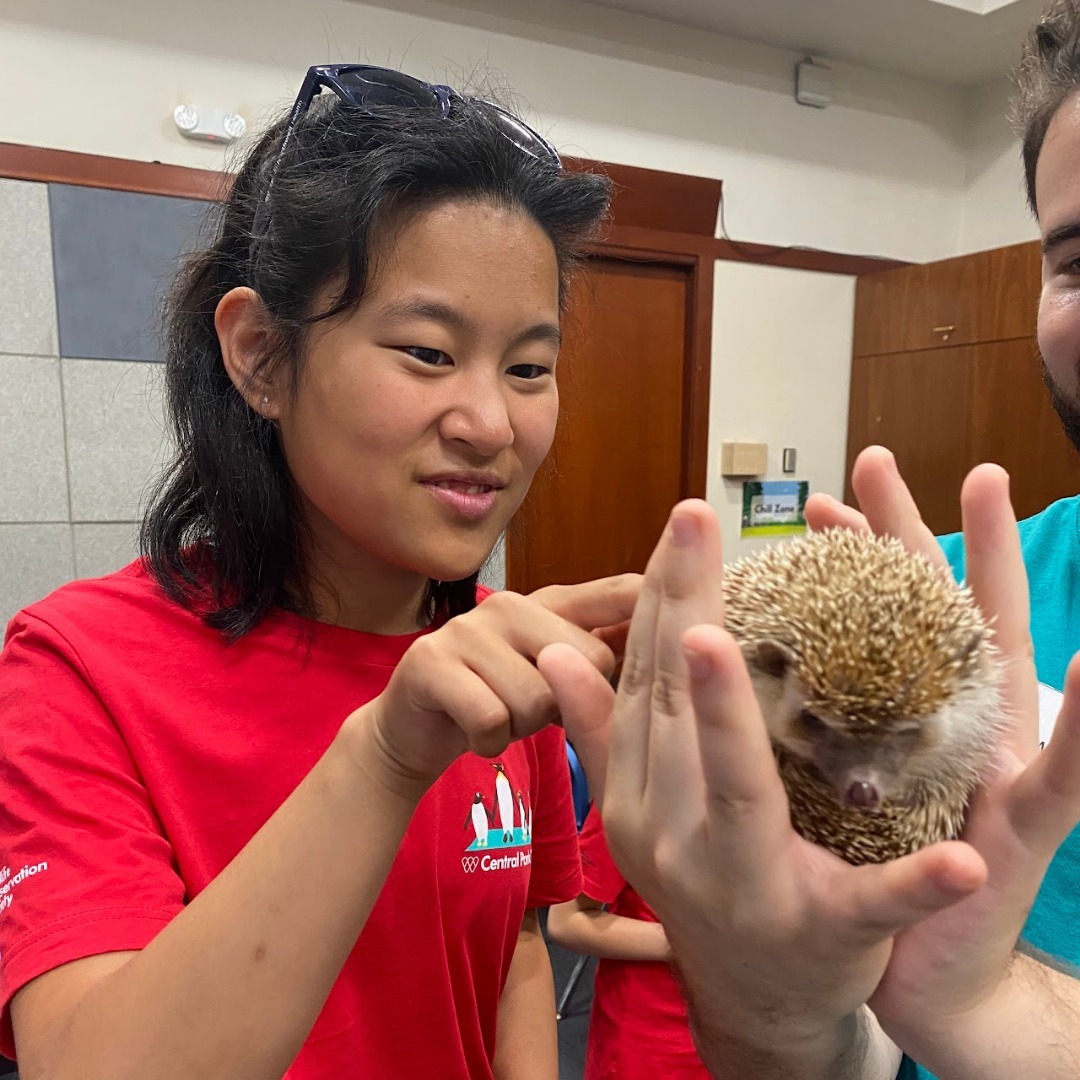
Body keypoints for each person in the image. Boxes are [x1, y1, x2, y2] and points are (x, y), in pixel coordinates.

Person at [0, 64, 641, 1079]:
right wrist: (386, 756)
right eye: (428, 352)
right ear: (261, 356)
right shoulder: (77, 668)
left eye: (528, 367)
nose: (491, 424)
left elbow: (519, 938)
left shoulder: (502, 655)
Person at [538, 4, 1080, 1076]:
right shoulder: (953, 597)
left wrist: (990, 1009)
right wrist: (774, 1013)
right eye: (1079, 255)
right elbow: (842, 1057)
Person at [547, 804, 711, 1080]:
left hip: (748, 1033)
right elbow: (566, 920)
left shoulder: (785, 796)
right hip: (654, 1038)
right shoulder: (639, 796)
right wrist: (683, 944)